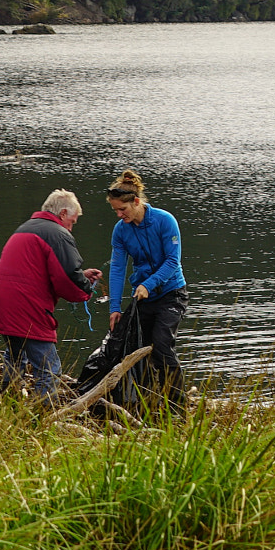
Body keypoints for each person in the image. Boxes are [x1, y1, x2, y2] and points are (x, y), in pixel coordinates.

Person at [0, 189, 101, 399]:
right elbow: (68, 276)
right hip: (26, 308)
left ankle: (5, 406)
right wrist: (86, 288)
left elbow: (45, 272)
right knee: (49, 367)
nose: (71, 227)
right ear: (63, 214)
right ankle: (45, 418)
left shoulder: (26, 228)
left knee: (16, 357)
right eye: (72, 222)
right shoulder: (57, 234)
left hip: (2, 303)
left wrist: (81, 276)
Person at [106, 169, 187, 408]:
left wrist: (148, 284)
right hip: (143, 296)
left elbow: (173, 262)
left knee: (162, 345)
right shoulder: (121, 230)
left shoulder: (164, 221)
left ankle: (177, 406)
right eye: (115, 211)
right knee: (130, 348)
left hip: (171, 293)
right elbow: (118, 269)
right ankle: (142, 401)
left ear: (137, 202)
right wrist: (114, 308)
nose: (120, 215)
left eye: (123, 209)